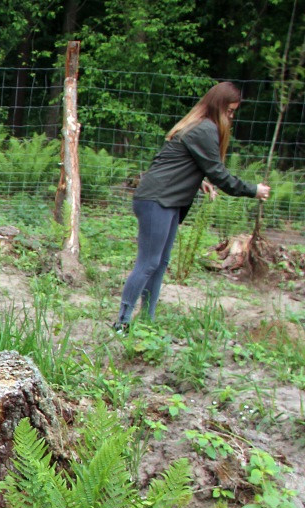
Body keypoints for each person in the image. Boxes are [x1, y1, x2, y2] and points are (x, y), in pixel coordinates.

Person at [114, 81, 270, 331]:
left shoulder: (196, 126)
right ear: (218, 106)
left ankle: (147, 321)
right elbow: (220, 174)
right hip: (157, 200)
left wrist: (198, 182)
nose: (230, 117)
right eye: (229, 111)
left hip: (168, 200)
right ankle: (122, 323)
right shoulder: (205, 129)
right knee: (148, 263)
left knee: (160, 263)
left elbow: (173, 162)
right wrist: (254, 190)